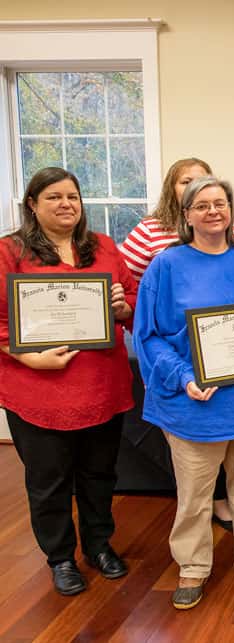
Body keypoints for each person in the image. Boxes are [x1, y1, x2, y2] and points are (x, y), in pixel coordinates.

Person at [133, 176, 234, 610]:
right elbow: (148, 337)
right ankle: (192, 566)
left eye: (220, 203)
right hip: (194, 405)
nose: (212, 211)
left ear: (230, 209)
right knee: (195, 495)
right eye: (201, 205)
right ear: (186, 215)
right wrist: (185, 376)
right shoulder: (165, 266)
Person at [0, 167, 135, 596]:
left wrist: (121, 309)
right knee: (49, 481)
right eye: (54, 197)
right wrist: (30, 357)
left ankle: (98, 545)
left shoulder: (104, 248)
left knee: (99, 475)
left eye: (73, 197)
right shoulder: (9, 252)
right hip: (38, 390)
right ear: (32, 205)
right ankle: (60, 557)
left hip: (102, 386)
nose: (66, 205)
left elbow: (132, 300)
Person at [121, 157, 234, 531]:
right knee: (193, 456)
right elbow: (129, 283)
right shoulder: (154, 239)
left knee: (231, 442)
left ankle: (220, 500)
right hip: (179, 358)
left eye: (206, 185)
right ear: (177, 195)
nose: (211, 209)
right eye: (186, 182)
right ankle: (198, 517)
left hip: (232, 357)